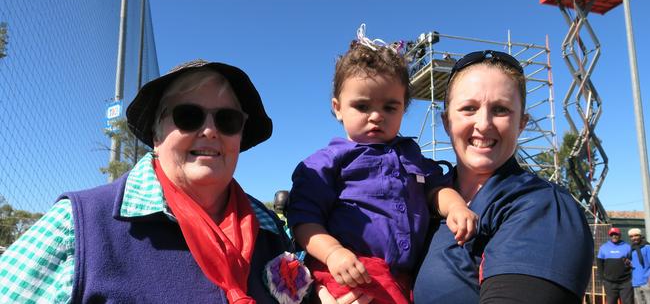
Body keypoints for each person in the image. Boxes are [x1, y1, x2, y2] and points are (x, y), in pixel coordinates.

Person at [0, 60, 311, 303]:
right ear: (156, 134)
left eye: (227, 120)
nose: (210, 131)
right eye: (188, 116)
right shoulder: (79, 227)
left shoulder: (269, 230)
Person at [287, 25, 477, 303]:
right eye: (362, 106)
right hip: (350, 272)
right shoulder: (326, 163)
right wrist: (333, 253)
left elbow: (435, 189)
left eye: (390, 107)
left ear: (404, 107)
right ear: (338, 108)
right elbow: (304, 220)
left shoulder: (411, 155)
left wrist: (456, 206)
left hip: (402, 276)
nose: (376, 116)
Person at [413, 50, 594, 303]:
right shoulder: (421, 198)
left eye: (500, 109)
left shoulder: (540, 206)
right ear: (446, 122)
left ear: (521, 123)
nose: (484, 123)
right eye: (468, 108)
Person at [597, 227, 634, 304]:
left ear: (620, 235)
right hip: (610, 283)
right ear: (610, 236)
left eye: (616, 234)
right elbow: (599, 264)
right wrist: (602, 279)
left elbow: (632, 262)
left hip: (626, 283)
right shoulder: (603, 247)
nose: (614, 236)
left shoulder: (627, 247)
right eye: (612, 234)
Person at [629, 228, 650, 304]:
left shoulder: (647, 247)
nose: (634, 238)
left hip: (647, 282)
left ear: (640, 236)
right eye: (631, 236)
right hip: (636, 282)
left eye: (636, 235)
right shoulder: (632, 250)